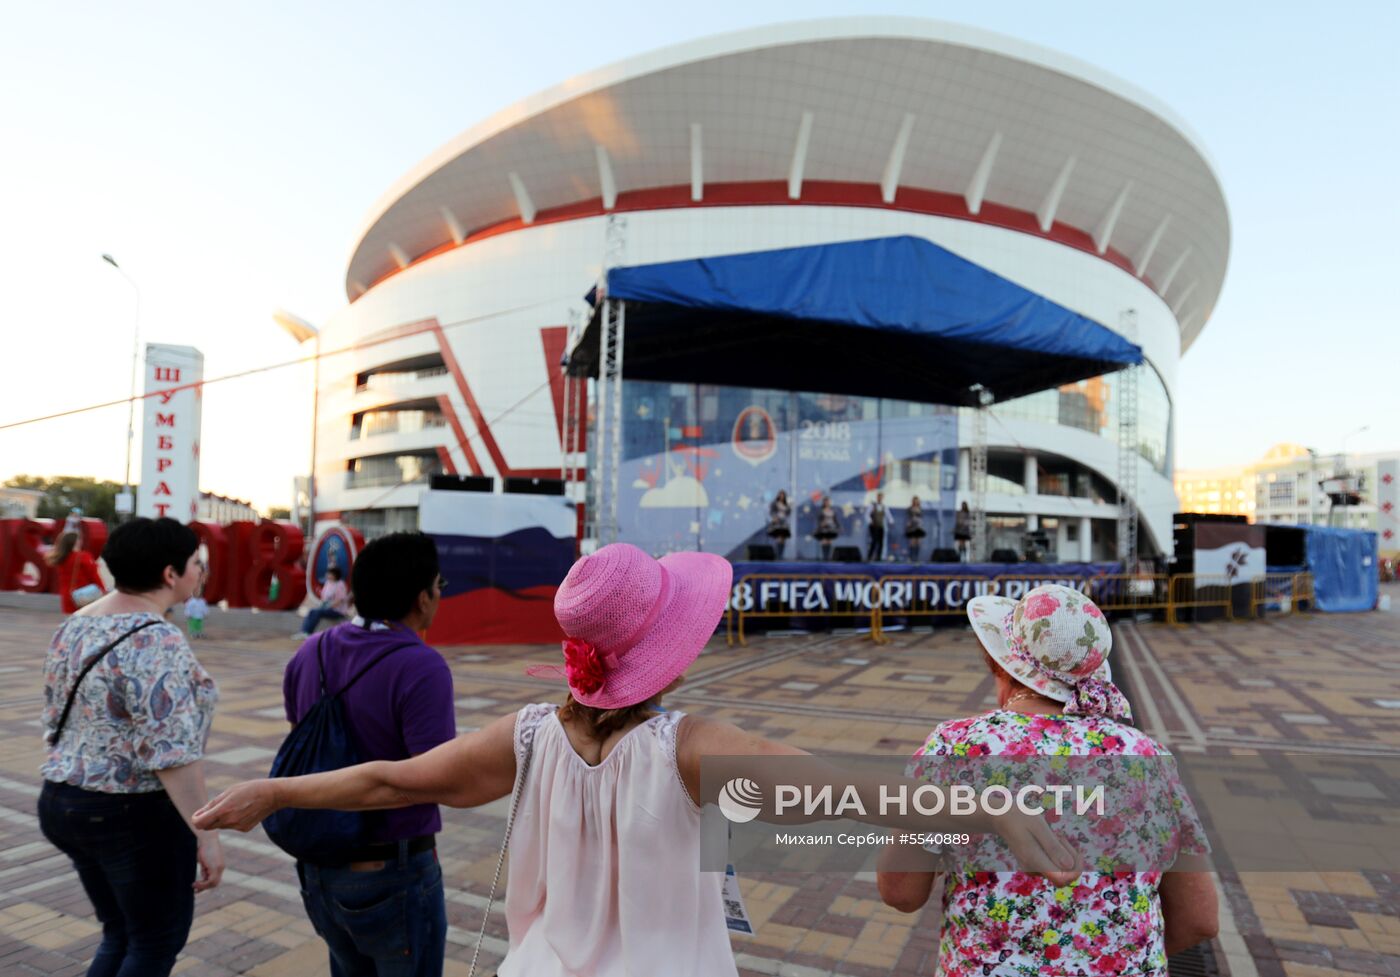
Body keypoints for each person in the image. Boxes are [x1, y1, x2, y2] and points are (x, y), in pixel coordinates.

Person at [195, 543, 1080, 977]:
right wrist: (985, 806)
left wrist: (274, 788)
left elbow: (391, 778)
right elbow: (847, 788)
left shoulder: (530, 733)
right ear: (668, 653)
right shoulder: (683, 748)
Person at [877, 584, 1218, 976]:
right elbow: (1200, 920)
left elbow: (901, 891)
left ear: (1002, 665)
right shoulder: (1151, 760)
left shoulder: (958, 750)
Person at [38, 517, 223, 977]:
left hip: (63, 799)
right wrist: (207, 833)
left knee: (121, 934)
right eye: (195, 564)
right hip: (131, 814)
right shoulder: (156, 638)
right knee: (154, 943)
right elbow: (173, 755)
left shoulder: (75, 625)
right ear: (169, 574)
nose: (200, 573)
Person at [283, 531, 456, 977]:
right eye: (439, 586)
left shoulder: (310, 652)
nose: (439, 595)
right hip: (391, 872)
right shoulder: (421, 665)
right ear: (422, 598)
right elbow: (436, 776)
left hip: (318, 867)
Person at [46, 530, 105, 615]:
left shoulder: (60, 558)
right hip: (84, 595)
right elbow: (94, 576)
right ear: (75, 542)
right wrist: (102, 589)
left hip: (67, 596)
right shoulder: (83, 556)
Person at [295, 566, 352, 637]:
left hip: (337, 610)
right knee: (311, 611)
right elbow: (324, 598)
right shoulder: (328, 583)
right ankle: (303, 632)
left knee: (316, 612)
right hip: (327, 608)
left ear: (335, 575)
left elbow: (339, 601)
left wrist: (326, 607)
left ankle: (307, 632)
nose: (327, 575)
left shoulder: (340, 585)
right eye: (328, 573)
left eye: (330, 574)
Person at [767, 490, 792, 559]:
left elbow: (788, 513)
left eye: (783, 495)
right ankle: (777, 555)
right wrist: (775, 517)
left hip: (784, 522)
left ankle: (781, 555)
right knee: (779, 538)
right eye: (780, 495)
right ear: (778, 495)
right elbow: (771, 512)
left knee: (783, 539)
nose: (781, 496)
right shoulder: (775, 503)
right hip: (777, 522)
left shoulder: (786, 504)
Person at [814, 495, 840, 561]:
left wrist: (838, 526)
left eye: (828, 501)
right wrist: (821, 524)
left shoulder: (832, 511)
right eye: (826, 501)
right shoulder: (821, 511)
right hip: (824, 528)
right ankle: (824, 558)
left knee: (829, 542)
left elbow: (835, 520)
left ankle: (828, 558)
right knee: (824, 541)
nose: (827, 503)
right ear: (824, 503)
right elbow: (819, 520)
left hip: (831, 528)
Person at [866, 491, 887, 561]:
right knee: (874, 541)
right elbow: (867, 514)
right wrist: (870, 521)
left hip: (881, 526)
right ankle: (870, 556)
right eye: (879, 497)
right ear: (877, 497)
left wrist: (891, 521)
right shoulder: (872, 505)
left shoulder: (884, 506)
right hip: (874, 526)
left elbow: (888, 515)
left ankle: (879, 557)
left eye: (881, 497)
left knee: (881, 542)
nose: (880, 498)